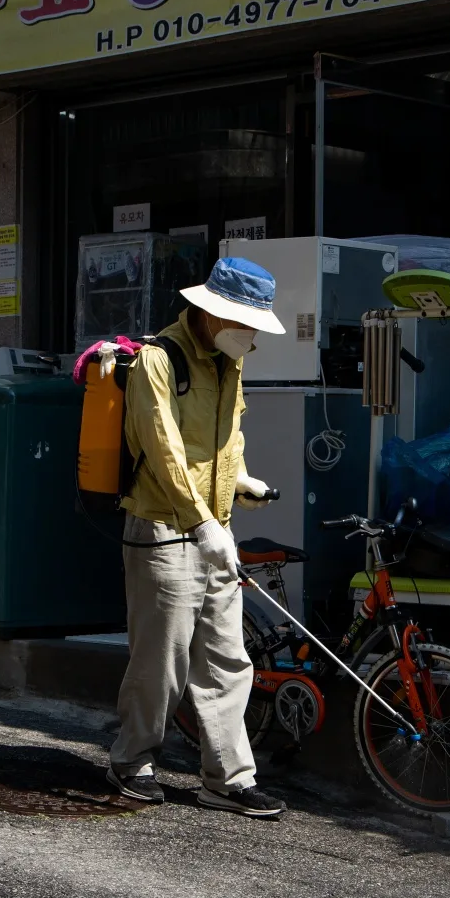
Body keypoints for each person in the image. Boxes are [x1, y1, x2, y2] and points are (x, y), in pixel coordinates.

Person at [107, 256, 290, 818]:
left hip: (215, 530)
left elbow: (226, 441)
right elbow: (161, 449)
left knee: (228, 658)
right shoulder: (157, 362)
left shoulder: (228, 364)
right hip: (162, 529)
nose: (254, 334)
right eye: (248, 323)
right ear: (214, 313)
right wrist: (200, 521)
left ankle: (228, 778)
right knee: (162, 659)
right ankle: (131, 758)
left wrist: (239, 485)